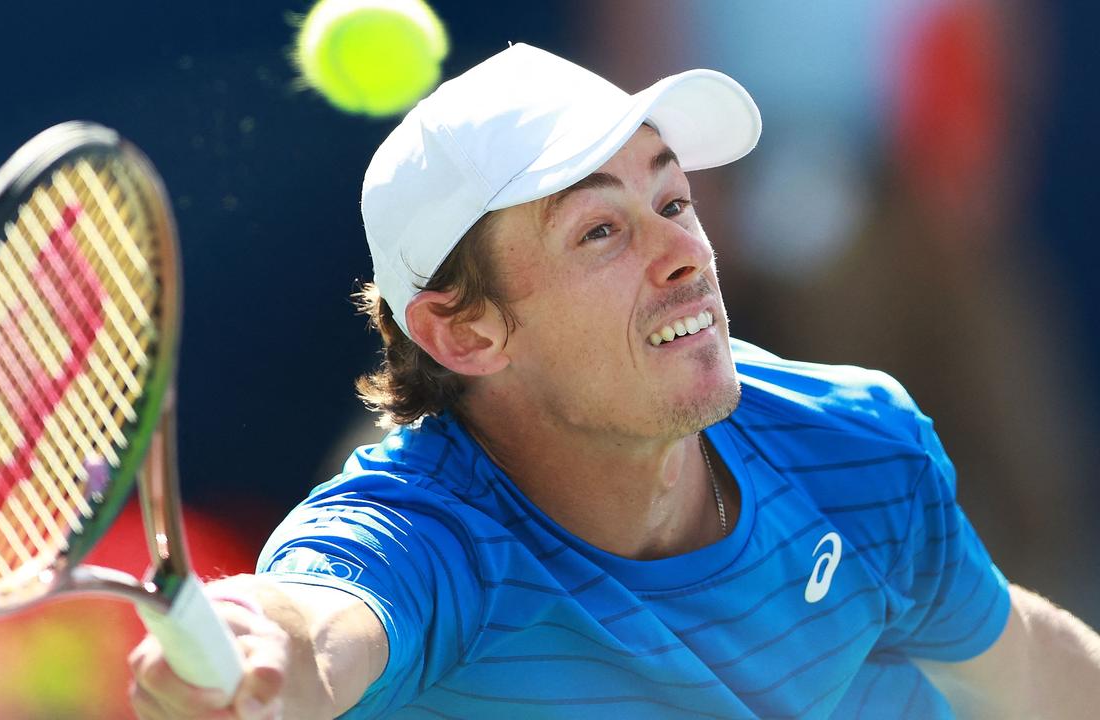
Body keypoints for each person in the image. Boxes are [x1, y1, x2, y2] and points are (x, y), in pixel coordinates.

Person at [128, 43, 1100, 719]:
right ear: (462, 331)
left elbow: (1016, 663)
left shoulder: (856, 443)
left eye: (672, 197)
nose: (683, 249)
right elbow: (322, 618)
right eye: (600, 230)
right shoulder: (421, 543)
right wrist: (266, 647)